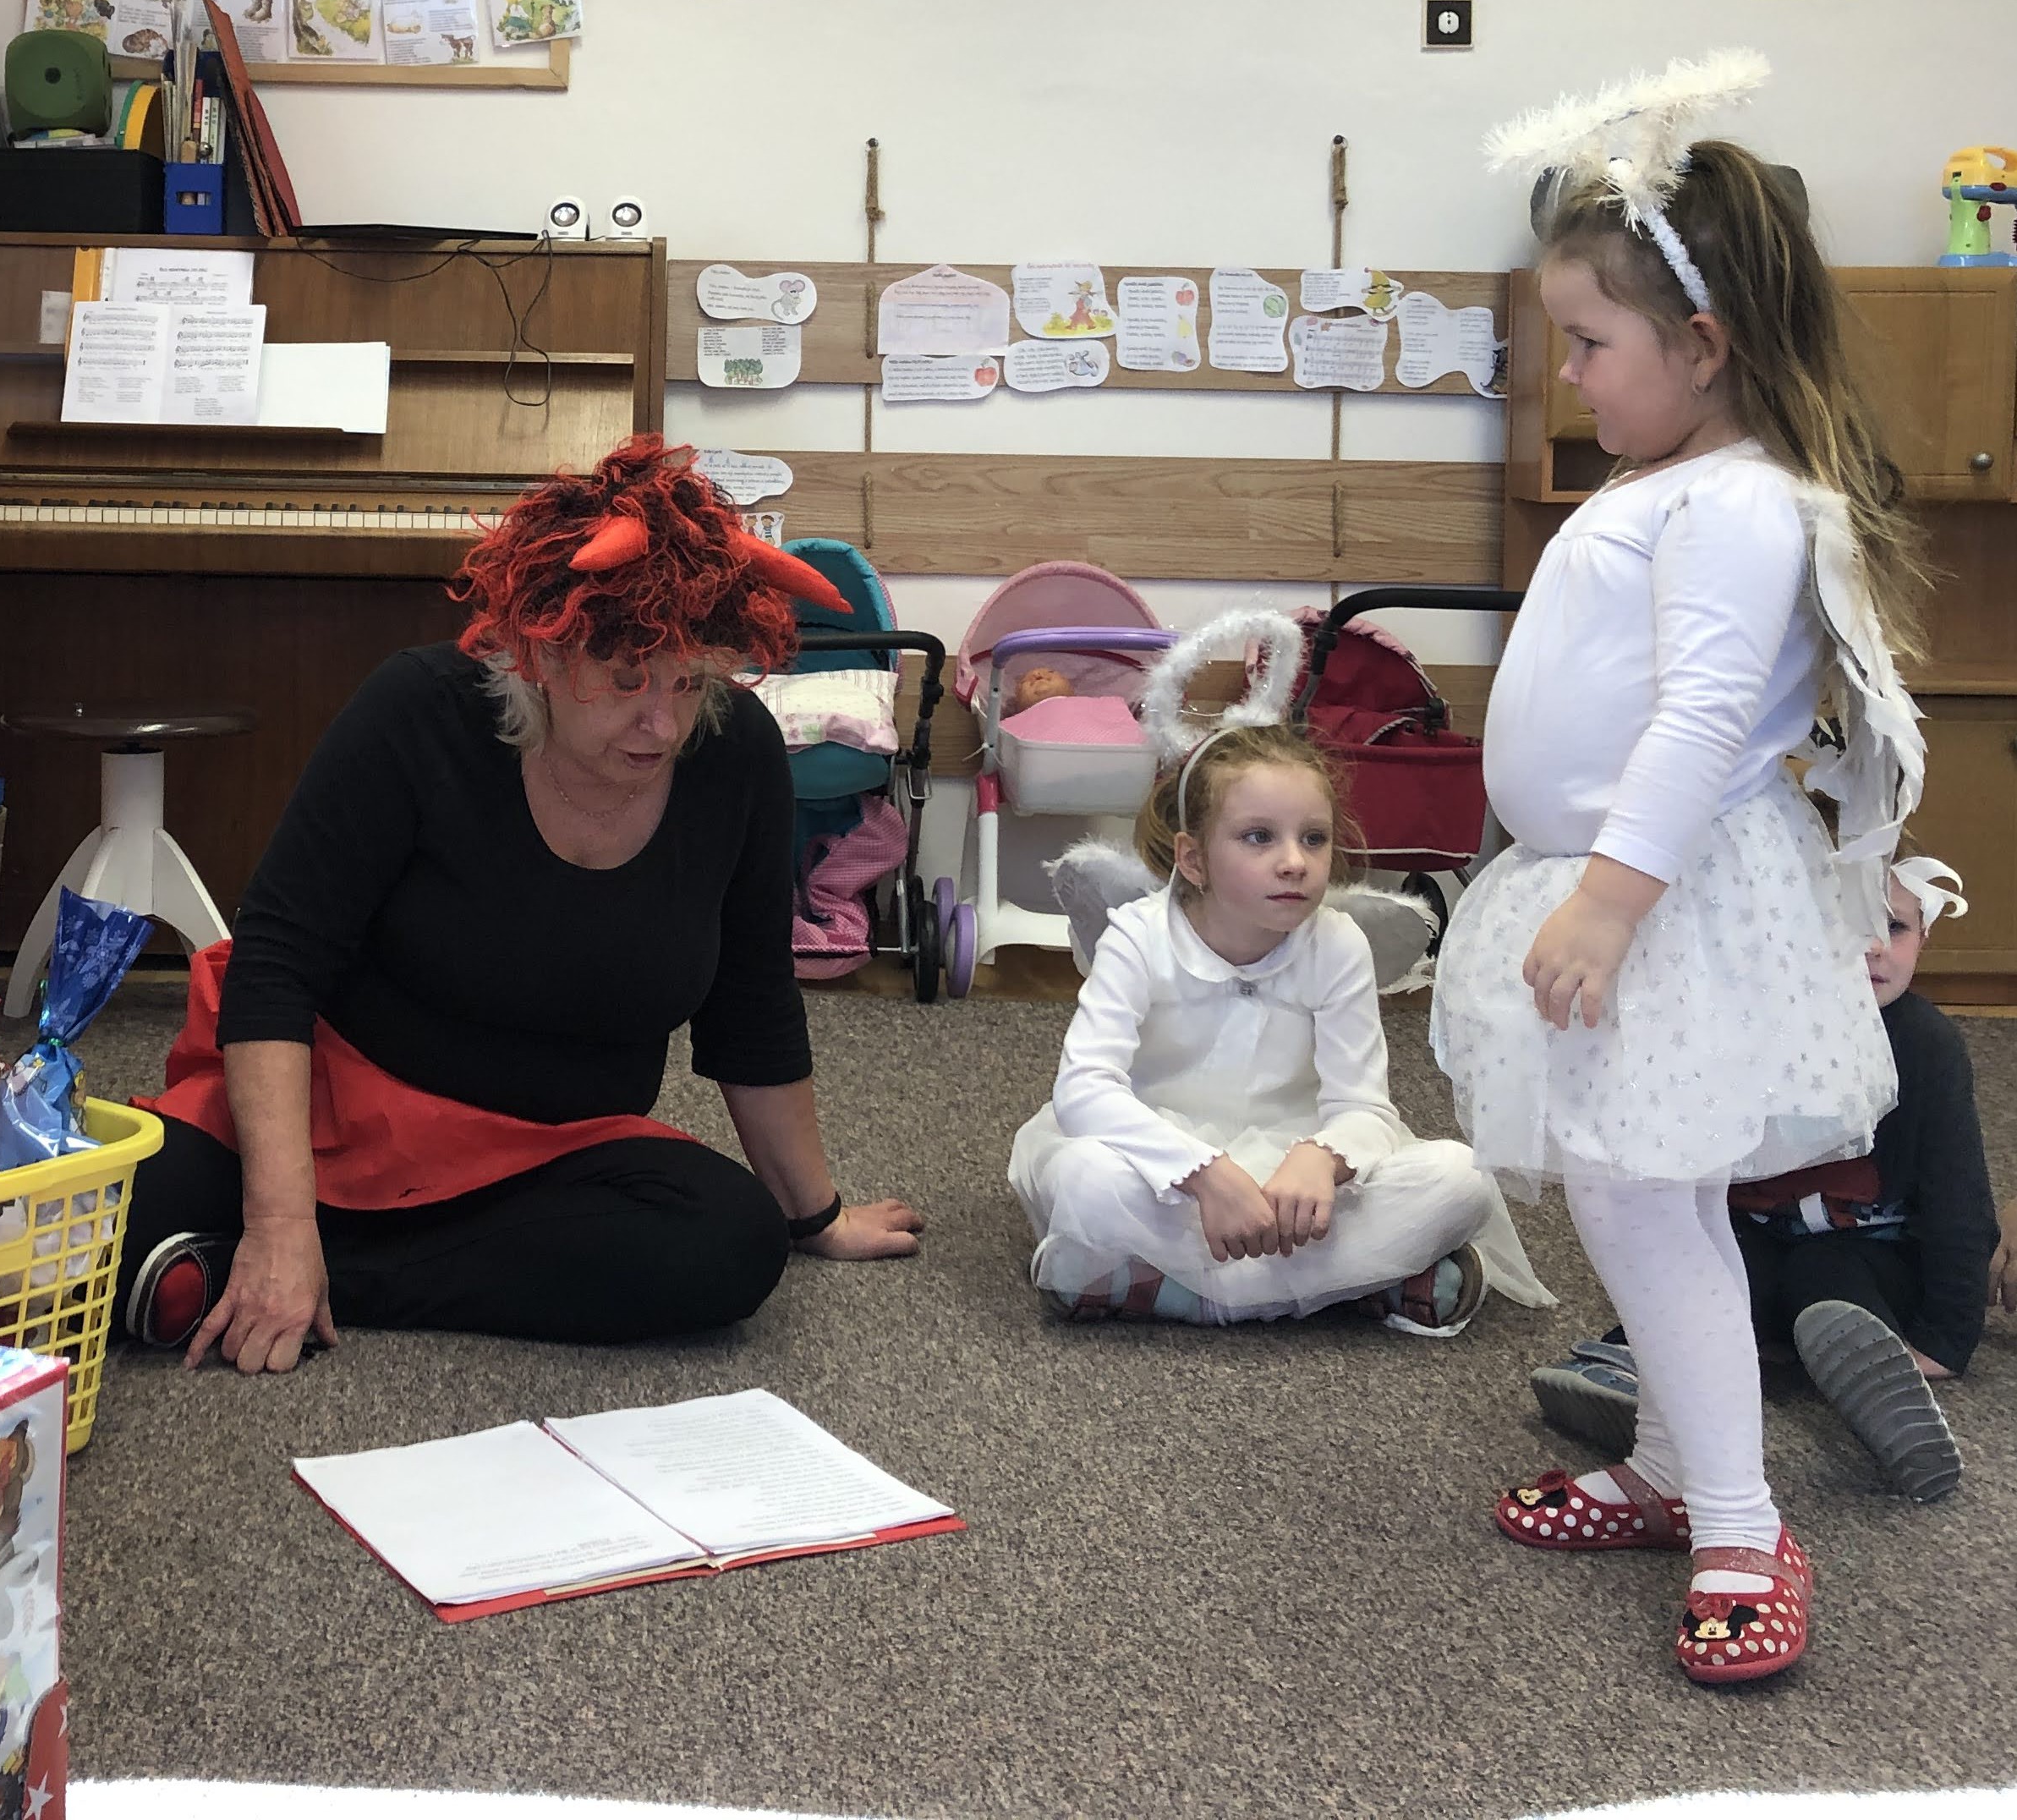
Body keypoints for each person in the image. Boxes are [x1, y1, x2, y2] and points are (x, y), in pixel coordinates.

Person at [1439, 60, 1933, 1686]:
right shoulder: (1673, 481)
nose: (1567, 372)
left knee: (1648, 1203)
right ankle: (1665, 1463)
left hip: (1655, 899)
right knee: (1641, 1190)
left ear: (1702, 346)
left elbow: (1708, 717)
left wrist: (1605, 900)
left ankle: (1739, 1524)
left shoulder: (1736, 502)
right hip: (1622, 883)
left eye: (1589, 342)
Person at [116, 436, 923, 1374]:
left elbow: (751, 1006)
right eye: (627, 680)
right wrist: (280, 1221)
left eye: (691, 681)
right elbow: (274, 966)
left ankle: (302, 1277)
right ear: (539, 650)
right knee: (94, 1220)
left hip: (554, 1157)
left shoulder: (734, 753)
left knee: (730, 1242)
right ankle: (292, 1251)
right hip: (336, 1116)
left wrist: (815, 1217)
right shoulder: (419, 710)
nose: (663, 723)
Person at [1009, 655, 1515, 1332]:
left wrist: (1322, 1158)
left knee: (1462, 1178)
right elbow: (1084, 1091)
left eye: (1313, 839)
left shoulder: (1336, 943)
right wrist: (1204, 1175)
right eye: (1258, 838)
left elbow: (1363, 1107)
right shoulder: (1138, 934)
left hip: (1290, 1177)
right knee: (1082, 1179)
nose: (1294, 862)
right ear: (1193, 859)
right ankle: (1353, 1286)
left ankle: (1170, 1290)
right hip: (1165, 1165)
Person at [1528, 858, 1998, 1502]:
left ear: (1924, 938)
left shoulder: (1925, 1044)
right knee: (1714, 1277)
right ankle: (1631, 1370)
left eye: (1893, 928)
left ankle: (1877, 1386)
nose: (1871, 946)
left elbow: (1957, 1197)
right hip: (1754, 1234)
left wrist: (1946, 1335)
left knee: (1826, 1280)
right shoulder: (1755, 1024)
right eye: (1844, 923)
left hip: (1867, 1253)